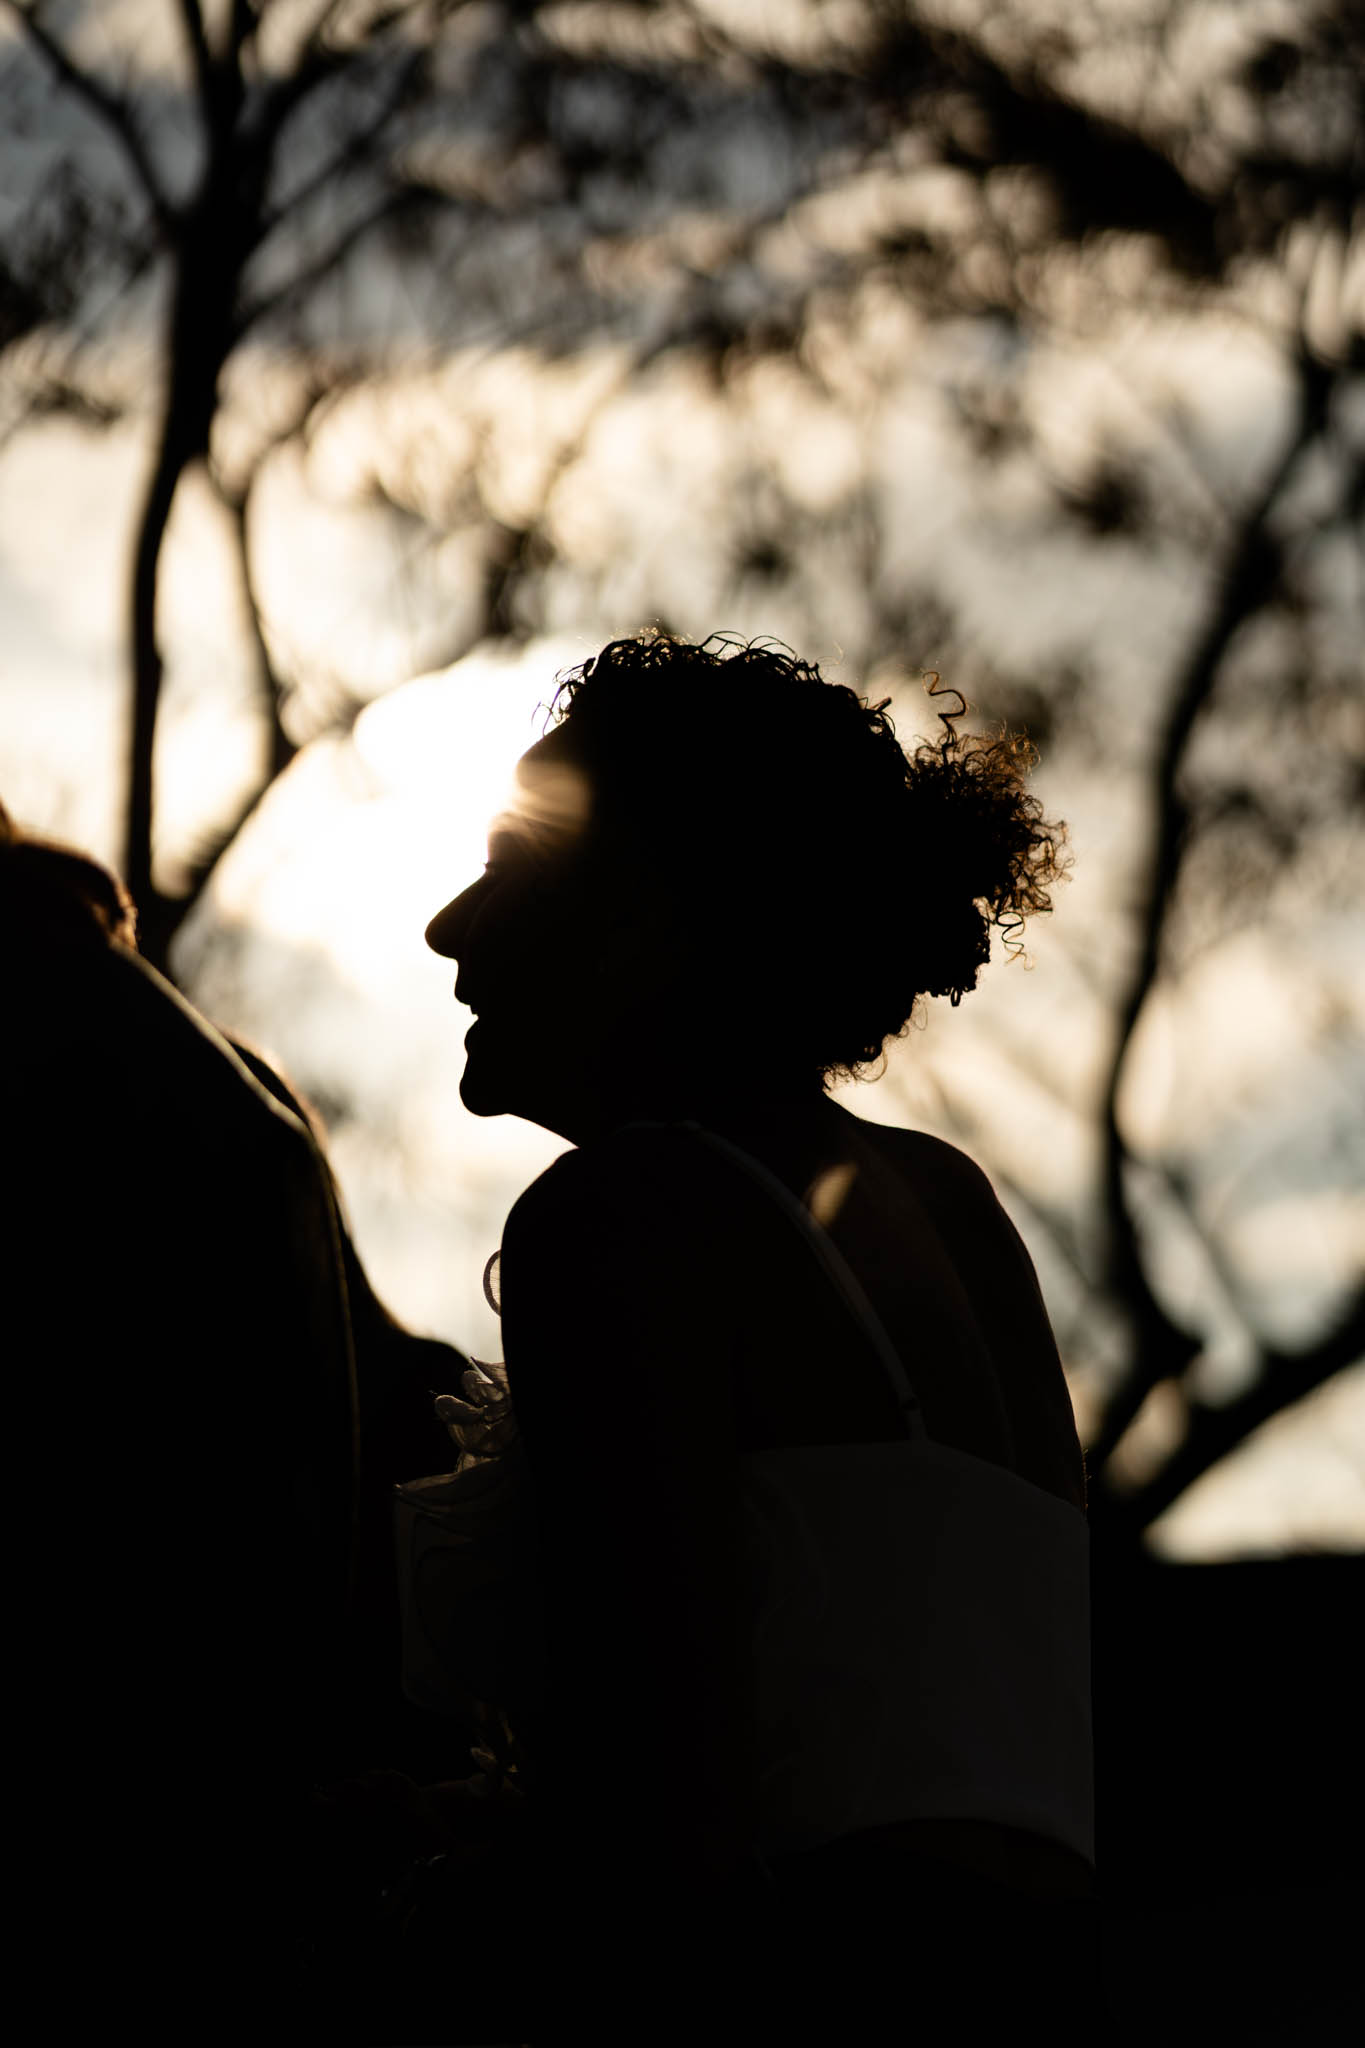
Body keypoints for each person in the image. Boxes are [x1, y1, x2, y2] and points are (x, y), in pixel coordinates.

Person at [412, 631, 1099, 2037]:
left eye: (511, 870)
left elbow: (650, 1823)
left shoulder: (623, 1213)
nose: (448, 927)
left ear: (656, 920)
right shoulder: (953, 1212)